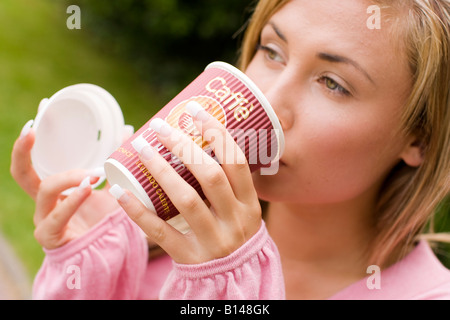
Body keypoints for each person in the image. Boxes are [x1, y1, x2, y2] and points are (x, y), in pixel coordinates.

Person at [10, 0, 450, 300]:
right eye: (272, 51)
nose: (271, 100)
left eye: (333, 84)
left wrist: (229, 290)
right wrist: (94, 272)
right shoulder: (152, 244)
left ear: (420, 140)